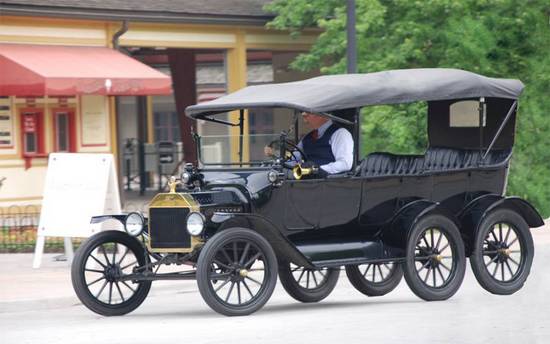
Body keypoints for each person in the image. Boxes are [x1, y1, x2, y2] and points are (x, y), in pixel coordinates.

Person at [293, 112, 354, 176]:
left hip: (331, 184)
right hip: (308, 184)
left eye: (306, 116)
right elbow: (293, 160)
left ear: (320, 114)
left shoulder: (340, 133)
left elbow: (345, 164)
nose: (305, 121)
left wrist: (316, 169)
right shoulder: (306, 139)